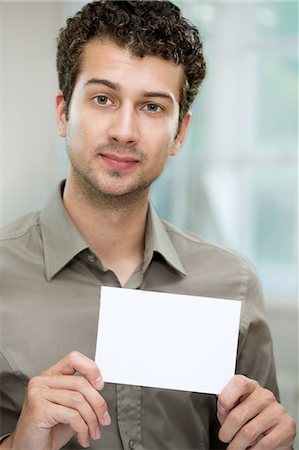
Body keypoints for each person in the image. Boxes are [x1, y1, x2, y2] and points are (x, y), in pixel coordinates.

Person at [0, 1, 296, 449]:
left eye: (153, 107)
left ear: (180, 133)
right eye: (103, 99)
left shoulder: (232, 285)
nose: (124, 130)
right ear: (63, 113)